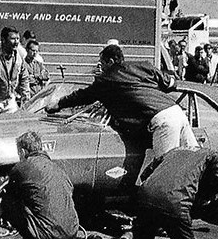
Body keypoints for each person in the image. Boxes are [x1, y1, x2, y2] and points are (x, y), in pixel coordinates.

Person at [46, 44, 198, 159]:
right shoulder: (143, 66)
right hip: (176, 112)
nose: (101, 67)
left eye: (102, 63)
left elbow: (83, 96)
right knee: (196, 160)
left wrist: (58, 104)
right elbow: (171, 83)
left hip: (162, 122)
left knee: (165, 171)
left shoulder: (107, 79)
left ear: (110, 61)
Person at [111, 147, 218, 239]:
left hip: (145, 196)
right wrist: (207, 191)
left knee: (142, 231)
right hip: (176, 201)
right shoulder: (210, 154)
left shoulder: (174, 151)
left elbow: (146, 173)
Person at [0, 131, 113, 239]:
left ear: (23, 151)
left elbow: (11, 196)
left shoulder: (21, 167)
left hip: (42, 233)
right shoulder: (58, 167)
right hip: (71, 230)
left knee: (9, 202)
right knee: (50, 212)